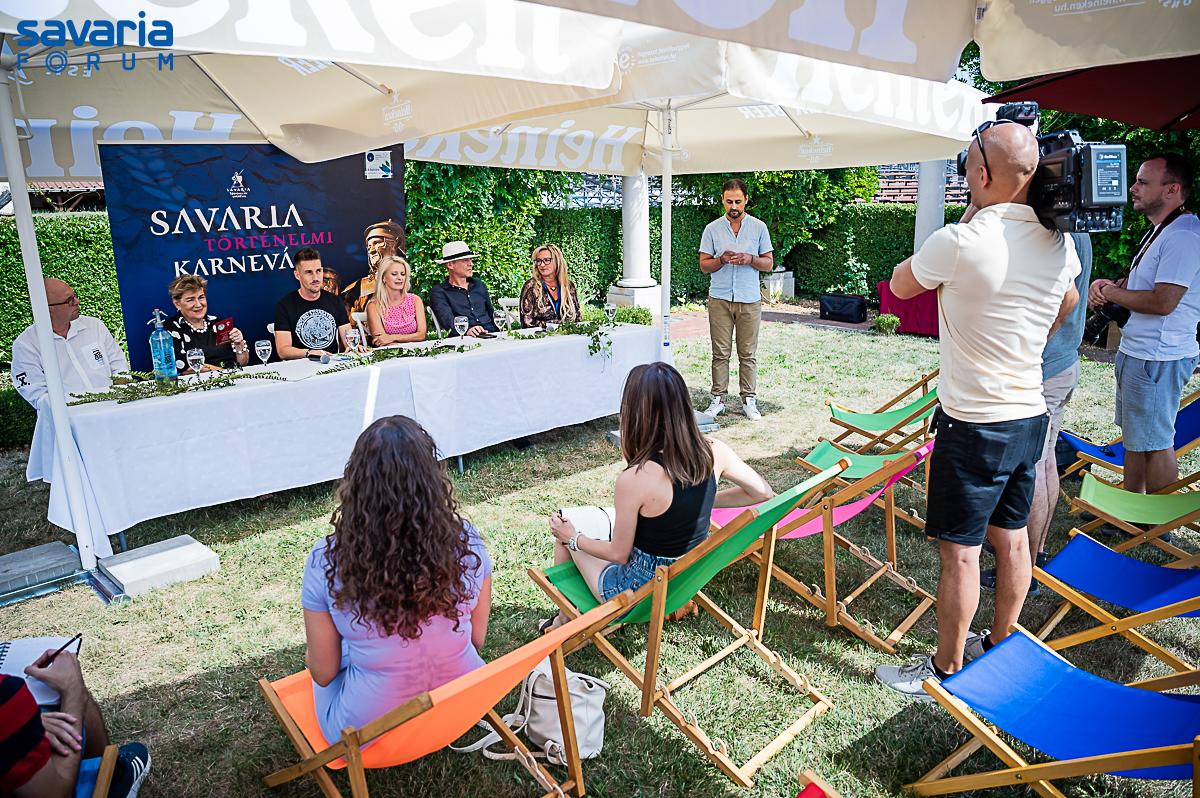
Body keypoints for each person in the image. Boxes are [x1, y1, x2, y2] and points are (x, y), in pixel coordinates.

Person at [875, 121, 1081, 700]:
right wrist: (1033, 342)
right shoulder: (1058, 242)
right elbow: (1068, 298)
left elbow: (900, 286)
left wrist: (969, 216)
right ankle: (1000, 644)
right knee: (1012, 540)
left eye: (966, 167)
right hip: (1029, 414)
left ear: (982, 175)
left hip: (972, 426)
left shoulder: (960, 241)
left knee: (961, 554)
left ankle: (945, 671)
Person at [539, 362, 774, 632]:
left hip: (633, 593)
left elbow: (619, 554)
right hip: (684, 582)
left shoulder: (635, 478)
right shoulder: (714, 451)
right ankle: (563, 618)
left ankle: (563, 621)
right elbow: (762, 492)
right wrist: (704, 501)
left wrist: (573, 538)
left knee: (565, 529)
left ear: (635, 414)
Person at [301, 415, 492, 743]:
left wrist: (317, 656)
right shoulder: (468, 541)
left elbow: (323, 672)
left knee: (327, 662)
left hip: (366, 731)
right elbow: (477, 638)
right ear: (432, 479)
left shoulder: (326, 560)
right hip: (462, 702)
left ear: (357, 484)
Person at [981, 232, 1093, 597]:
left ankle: (1022, 569)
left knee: (1028, 469)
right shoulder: (1079, 228)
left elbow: (1063, 299)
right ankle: (1035, 556)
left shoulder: (1051, 232)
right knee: (1044, 465)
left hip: (1042, 368)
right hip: (1063, 363)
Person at [1088, 153, 1200, 495]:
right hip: (1141, 352)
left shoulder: (1183, 235)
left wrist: (1111, 292)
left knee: (1157, 442)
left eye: (1142, 182)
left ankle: (1158, 520)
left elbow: (1163, 302)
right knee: (1137, 438)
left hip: (1157, 357)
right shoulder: (1163, 230)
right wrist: (1110, 286)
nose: (1133, 188)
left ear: (1172, 190)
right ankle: (1131, 505)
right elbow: (1144, 287)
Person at [0, 649, 150, 797]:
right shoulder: (5, 693)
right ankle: (111, 784)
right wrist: (73, 690)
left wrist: (27, 723)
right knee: (60, 697)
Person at [698, 178, 775, 421]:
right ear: (722, 200)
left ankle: (749, 400)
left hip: (749, 298)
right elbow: (704, 265)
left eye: (738, 202)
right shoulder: (712, 229)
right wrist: (721, 260)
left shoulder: (759, 227)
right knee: (720, 353)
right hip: (719, 298)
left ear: (746, 200)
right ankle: (718, 400)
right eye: (729, 201)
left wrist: (750, 259)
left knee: (747, 353)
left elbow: (768, 263)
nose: (733, 206)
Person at [11, 278, 128, 409]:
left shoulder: (95, 326)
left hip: (113, 410)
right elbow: (38, 395)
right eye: (69, 300)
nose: (77, 302)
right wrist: (79, 409)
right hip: (68, 418)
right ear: (47, 309)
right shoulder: (26, 345)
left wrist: (120, 396)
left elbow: (119, 366)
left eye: (75, 296)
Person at [274, 247, 360, 360]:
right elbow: (283, 350)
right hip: (301, 365)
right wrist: (310, 353)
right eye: (309, 272)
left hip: (331, 363)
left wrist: (354, 347)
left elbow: (348, 338)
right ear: (297, 275)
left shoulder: (335, 301)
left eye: (318, 271)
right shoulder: (285, 306)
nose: (315, 278)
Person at [162, 274, 249, 372]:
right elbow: (189, 368)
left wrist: (239, 344)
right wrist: (226, 373)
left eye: (201, 297)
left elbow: (242, 363)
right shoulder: (169, 329)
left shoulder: (218, 323)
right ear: (177, 304)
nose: (198, 304)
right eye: (190, 300)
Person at [428, 241, 499, 337]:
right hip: (464, 339)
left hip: (492, 335)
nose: (471, 264)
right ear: (450, 265)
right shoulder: (439, 292)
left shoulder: (479, 285)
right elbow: (447, 322)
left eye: (471, 260)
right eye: (465, 260)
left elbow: (492, 314)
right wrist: (467, 331)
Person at [341, 219, 405, 316]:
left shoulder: (410, 281)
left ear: (396, 244)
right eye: (369, 246)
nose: (371, 251)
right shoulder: (355, 290)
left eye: (377, 243)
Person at [365, 255, 427, 345]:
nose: (400, 278)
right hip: (390, 352)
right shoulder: (373, 306)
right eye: (394, 274)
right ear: (383, 278)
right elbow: (381, 341)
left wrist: (393, 337)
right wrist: (404, 346)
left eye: (403, 274)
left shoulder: (415, 300)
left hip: (418, 350)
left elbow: (421, 335)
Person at [519, 244, 581, 328]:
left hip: (568, 334)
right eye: (538, 261)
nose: (542, 265)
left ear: (557, 261)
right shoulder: (531, 286)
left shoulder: (569, 286)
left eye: (547, 260)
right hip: (540, 335)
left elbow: (577, 317)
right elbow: (526, 322)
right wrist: (555, 326)